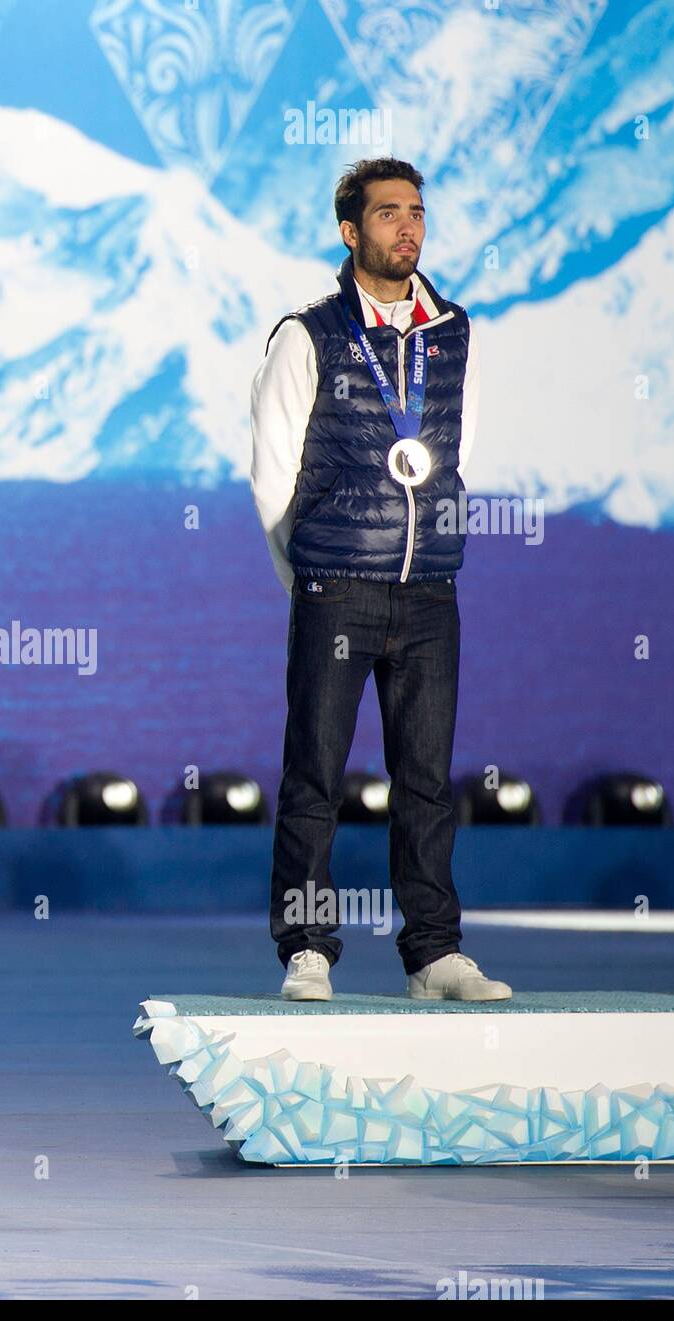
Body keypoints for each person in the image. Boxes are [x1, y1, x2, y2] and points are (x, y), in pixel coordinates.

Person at [249, 158, 511, 1004]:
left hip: (431, 588)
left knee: (428, 781)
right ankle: (308, 948)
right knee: (315, 777)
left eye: (418, 212)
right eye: (388, 212)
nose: (408, 227)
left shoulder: (454, 331)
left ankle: (434, 954)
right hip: (337, 585)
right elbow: (272, 470)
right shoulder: (309, 333)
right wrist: (308, 571)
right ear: (350, 230)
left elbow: (457, 448)